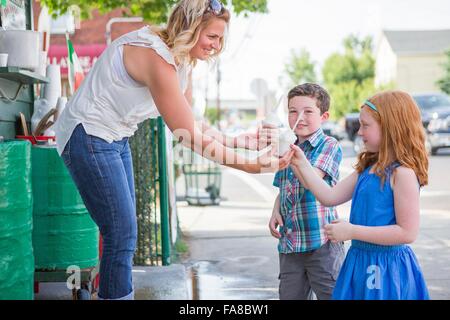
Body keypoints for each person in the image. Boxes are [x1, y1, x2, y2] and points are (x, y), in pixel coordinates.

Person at [53, 0, 290, 300]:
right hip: (87, 134)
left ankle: (111, 293)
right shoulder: (156, 58)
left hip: (115, 138)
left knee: (124, 231)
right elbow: (188, 136)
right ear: (191, 29)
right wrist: (251, 166)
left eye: (220, 38)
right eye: (212, 37)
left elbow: (193, 122)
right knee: (121, 232)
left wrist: (238, 140)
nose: (217, 46)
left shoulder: (181, 64)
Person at [289, 90, 430, 300]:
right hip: (359, 261)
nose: (360, 132)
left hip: (386, 268)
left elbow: (407, 232)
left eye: (366, 125)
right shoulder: (368, 167)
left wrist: (352, 231)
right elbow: (329, 196)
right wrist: (300, 162)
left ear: (391, 127)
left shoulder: (403, 173)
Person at [268, 83, 345, 300]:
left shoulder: (329, 145)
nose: (299, 117)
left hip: (321, 242)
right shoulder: (288, 144)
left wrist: (293, 157)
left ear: (324, 116)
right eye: (293, 111)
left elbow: (313, 180)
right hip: (291, 243)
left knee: (332, 295)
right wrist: (275, 210)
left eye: (308, 111)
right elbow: (284, 186)